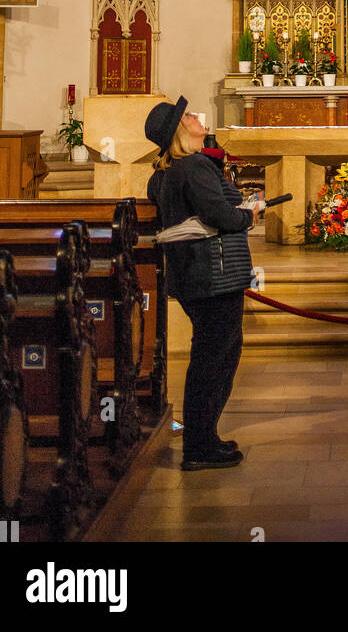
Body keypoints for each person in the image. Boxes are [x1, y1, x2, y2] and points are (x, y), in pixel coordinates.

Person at [145, 97, 263, 471]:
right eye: (189, 116)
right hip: (213, 272)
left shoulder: (165, 171)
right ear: (180, 129)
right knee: (214, 358)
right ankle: (199, 444)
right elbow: (220, 215)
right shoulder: (193, 166)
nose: (197, 117)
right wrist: (249, 214)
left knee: (212, 355)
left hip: (193, 274)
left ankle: (204, 437)